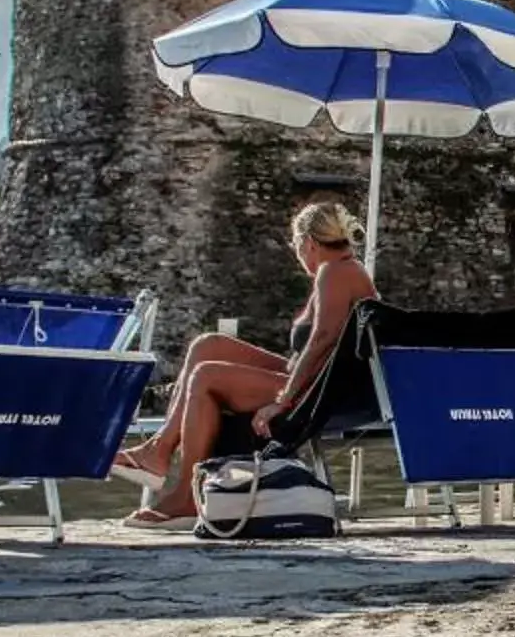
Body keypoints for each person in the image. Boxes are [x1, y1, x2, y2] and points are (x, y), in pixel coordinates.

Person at [115, 200, 375, 526]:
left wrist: (282, 401)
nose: (298, 255)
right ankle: (158, 451)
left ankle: (185, 497)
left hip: (324, 392)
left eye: (297, 246)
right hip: (318, 379)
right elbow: (326, 346)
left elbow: (322, 341)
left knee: (206, 376)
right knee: (208, 346)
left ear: (309, 242)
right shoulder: (344, 270)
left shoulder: (334, 273)